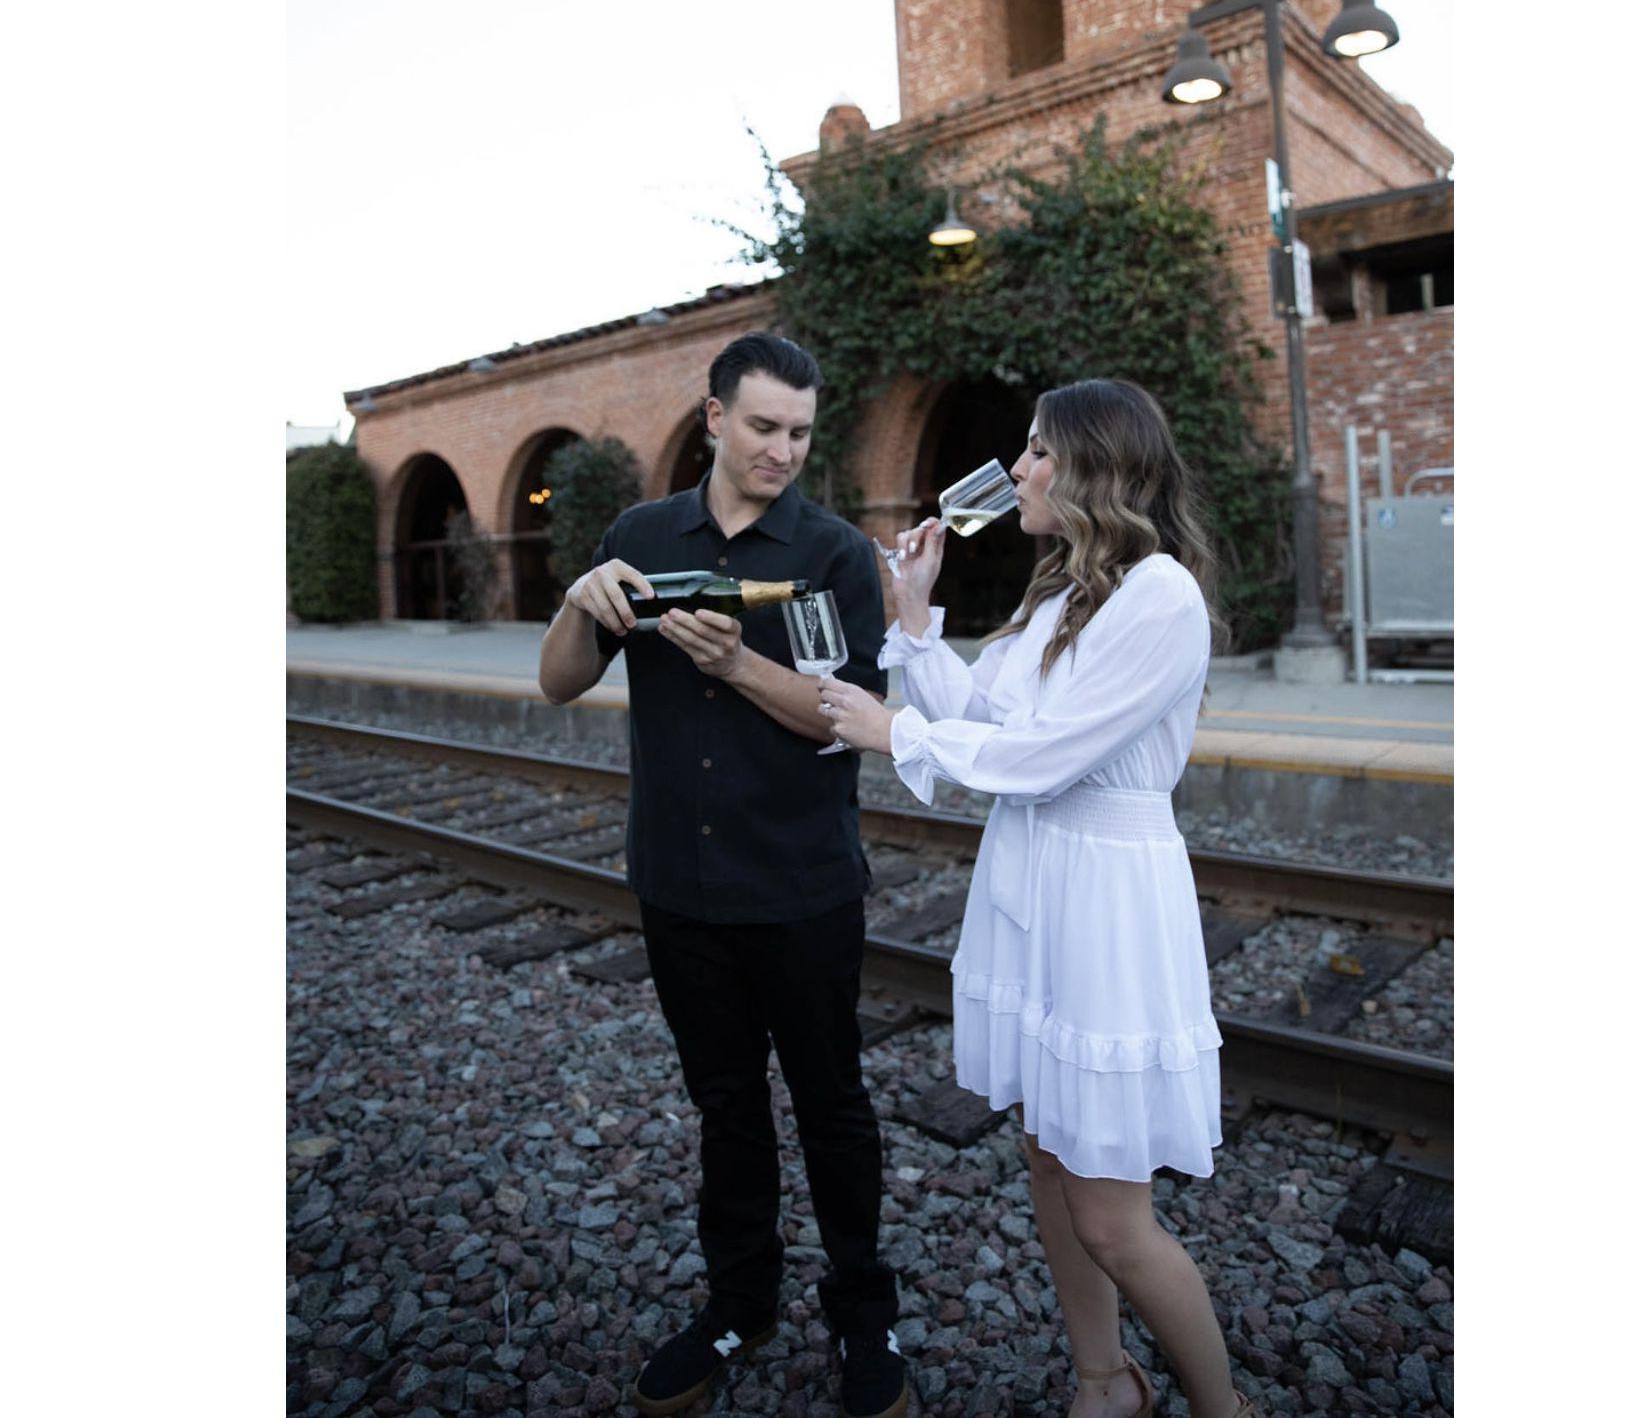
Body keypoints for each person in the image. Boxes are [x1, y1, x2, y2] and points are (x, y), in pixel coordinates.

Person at [818, 378, 1262, 1418]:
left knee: (1112, 1217)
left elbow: (1047, 756)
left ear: (1096, 465)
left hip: (1106, 900)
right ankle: (1103, 1379)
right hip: (1037, 885)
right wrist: (915, 618)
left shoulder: (1159, 596)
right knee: (1046, 1153)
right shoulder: (1062, 597)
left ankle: (1225, 1408)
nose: (1017, 469)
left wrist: (893, 731)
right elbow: (988, 719)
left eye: (1037, 451)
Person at [537, 332, 908, 1418]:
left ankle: (863, 1312)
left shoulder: (833, 553)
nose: (781, 449)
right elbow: (558, 682)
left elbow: (846, 719)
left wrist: (737, 663)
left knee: (833, 1106)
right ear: (713, 417)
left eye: (799, 431)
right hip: (678, 885)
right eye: (761, 425)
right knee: (725, 1107)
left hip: (802, 887)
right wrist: (578, 599)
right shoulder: (640, 536)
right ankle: (740, 1301)